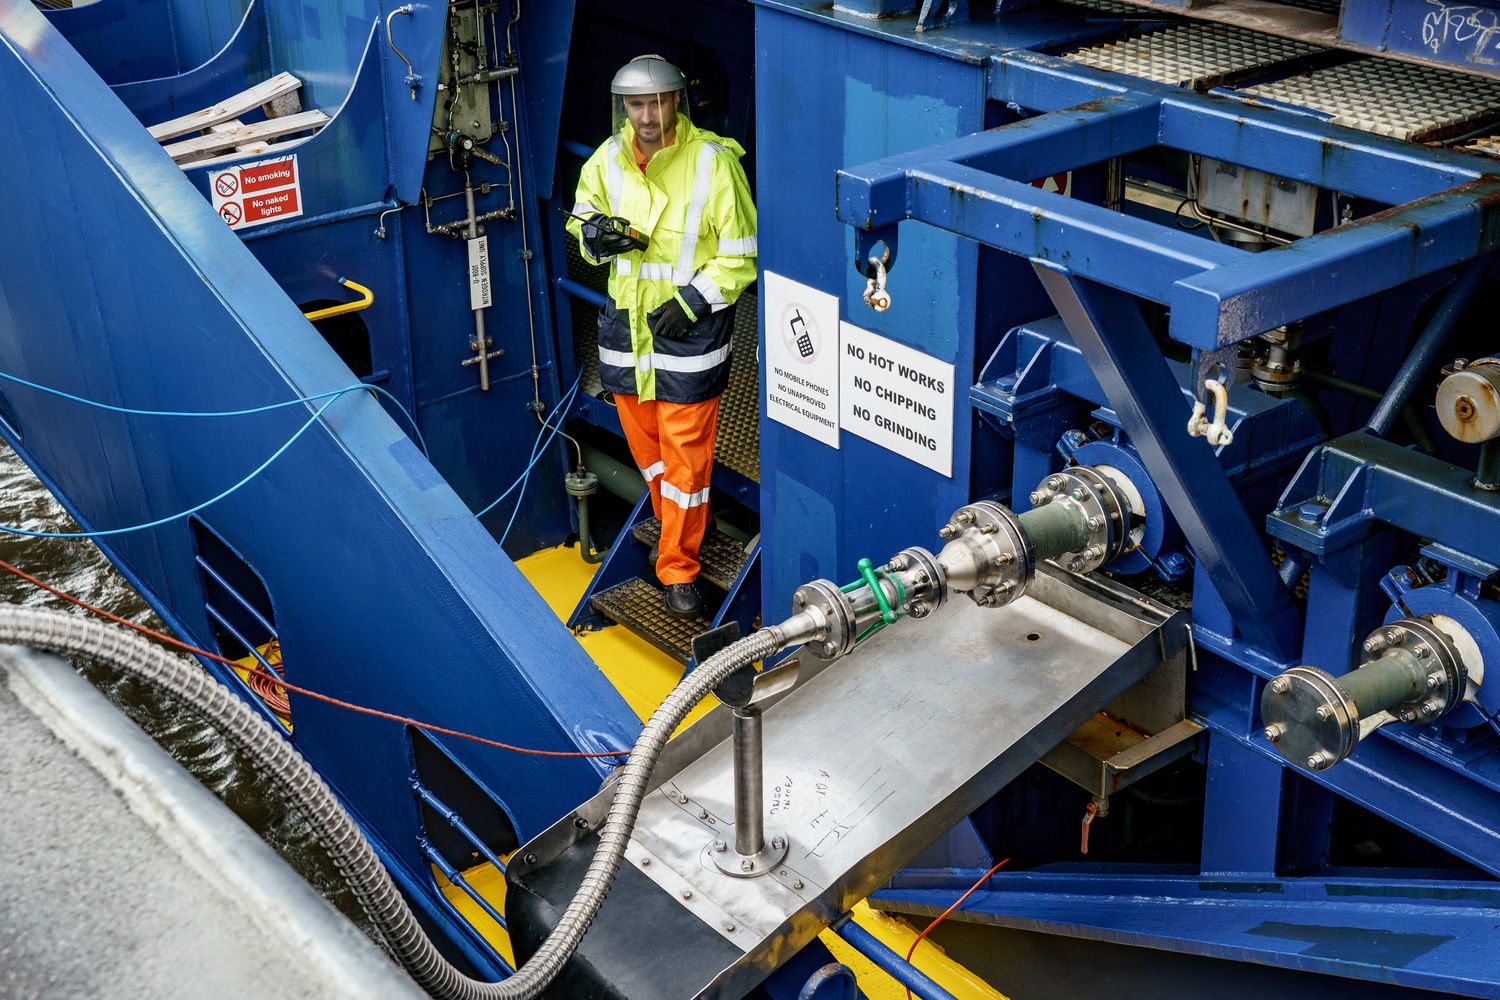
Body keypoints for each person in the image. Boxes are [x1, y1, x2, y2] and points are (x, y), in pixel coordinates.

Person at [567, 55, 757, 619]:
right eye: (636, 105)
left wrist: (693, 301)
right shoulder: (606, 160)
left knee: (686, 466)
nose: (647, 116)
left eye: (657, 102)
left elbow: (740, 254)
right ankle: (675, 523)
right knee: (650, 455)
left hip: (688, 338)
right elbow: (581, 220)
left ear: (678, 101)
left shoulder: (714, 164)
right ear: (622, 107)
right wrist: (597, 238)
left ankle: (678, 566)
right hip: (626, 335)